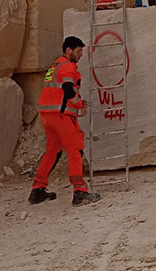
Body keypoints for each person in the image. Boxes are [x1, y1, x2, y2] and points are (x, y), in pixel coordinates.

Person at [28, 36, 101, 207]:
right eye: (78, 51)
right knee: (75, 150)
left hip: (48, 116)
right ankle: (79, 192)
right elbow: (68, 88)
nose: (81, 55)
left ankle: (37, 189)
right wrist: (78, 104)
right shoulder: (68, 66)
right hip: (62, 116)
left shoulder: (54, 67)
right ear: (68, 50)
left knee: (52, 152)